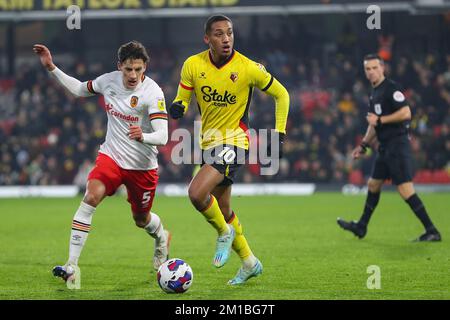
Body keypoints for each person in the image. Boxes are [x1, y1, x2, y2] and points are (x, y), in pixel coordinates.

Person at [33, 41, 171, 289]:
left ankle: (162, 237)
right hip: (112, 157)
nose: (132, 75)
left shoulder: (153, 93)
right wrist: (52, 67)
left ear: (145, 68)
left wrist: (144, 136)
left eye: (138, 69)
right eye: (128, 69)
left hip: (142, 166)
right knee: (90, 197)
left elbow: (163, 136)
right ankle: (71, 266)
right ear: (119, 66)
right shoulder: (108, 81)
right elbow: (78, 89)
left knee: (141, 219)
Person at [169, 15, 289, 285]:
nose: (226, 39)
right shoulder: (193, 64)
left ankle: (224, 233)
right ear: (207, 39)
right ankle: (249, 262)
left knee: (196, 193)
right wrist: (178, 107)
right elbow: (182, 98)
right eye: (219, 34)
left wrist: (279, 133)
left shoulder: (248, 68)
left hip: (235, 141)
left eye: (230, 33)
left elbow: (282, 94)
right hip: (208, 143)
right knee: (223, 208)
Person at [337, 54, 441, 242]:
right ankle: (361, 227)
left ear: (382, 68)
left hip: (397, 146)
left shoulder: (391, 89)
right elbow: (373, 124)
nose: (371, 72)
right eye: (367, 69)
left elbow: (406, 112)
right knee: (373, 184)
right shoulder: (374, 93)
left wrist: (381, 120)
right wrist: (363, 145)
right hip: (385, 148)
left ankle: (432, 230)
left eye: (374, 68)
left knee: (405, 190)